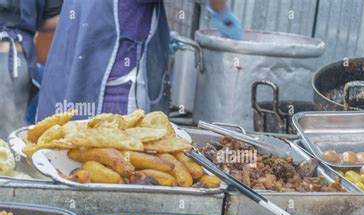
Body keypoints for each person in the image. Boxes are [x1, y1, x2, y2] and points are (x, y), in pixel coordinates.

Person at [36, 0, 241, 121]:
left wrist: (156, 40)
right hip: (111, 98)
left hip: (77, 73)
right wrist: (221, 10)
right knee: (111, 174)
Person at [0, 0, 62, 139]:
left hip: (11, 58)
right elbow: (51, 18)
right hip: (12, 61)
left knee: (8, 134)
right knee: (8, 135)